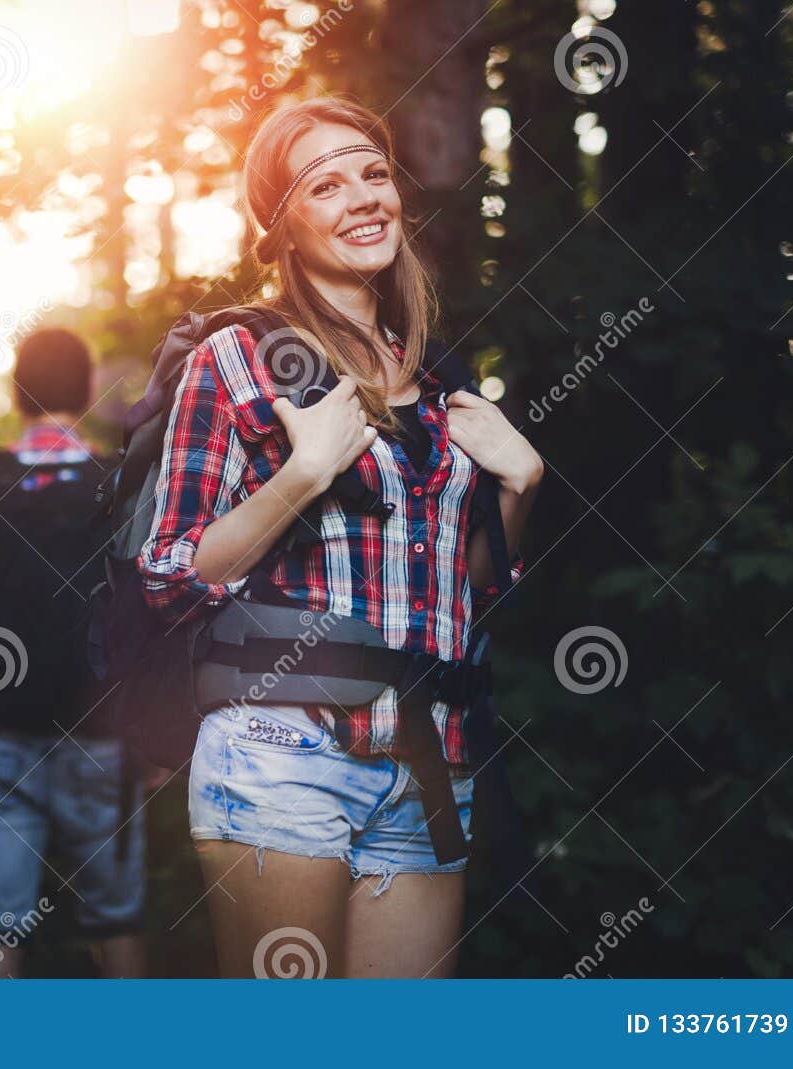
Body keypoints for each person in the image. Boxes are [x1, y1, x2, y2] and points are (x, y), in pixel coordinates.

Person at [136, 97, 543, 978]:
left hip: (433, 764)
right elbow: (169, 576)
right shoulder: (236, 357)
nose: (363, 196)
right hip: (282, 754)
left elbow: (468, 603)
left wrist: (521, 489)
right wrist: (300, 476)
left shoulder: (438, 384)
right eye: (326, 184)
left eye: (373, 172)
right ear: (279, 228)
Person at [0, 327, 151, 978]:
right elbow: (151, 611)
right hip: (103, 738)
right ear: (87, 391)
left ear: (14, 391)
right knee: (118, 920)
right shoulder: (122, 485)